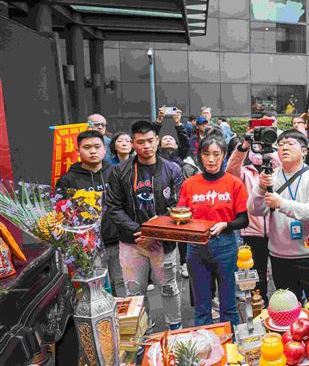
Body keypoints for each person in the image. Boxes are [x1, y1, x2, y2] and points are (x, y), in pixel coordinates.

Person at [105, 120, 184, 330]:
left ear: (157, 140)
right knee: (134, 292)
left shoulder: (172, 169)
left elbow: (178, 206)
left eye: (150, 140)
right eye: (140, 142)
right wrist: (140, 232)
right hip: (132, 243)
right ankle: (143, 331)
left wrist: (154, 233)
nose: (146, 146)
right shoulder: (119, 171)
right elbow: (113, 207)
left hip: (163, 242)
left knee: (169, 288)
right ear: (133, 143)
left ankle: (174, 328)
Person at [247, 131, 309, 301]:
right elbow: (255, 210)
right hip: (281, 256)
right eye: (281, 145)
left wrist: (282, 204)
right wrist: (260, 188)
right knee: (287, 308)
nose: (284, 147)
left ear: (304, 151)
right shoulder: (270, 177)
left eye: (290, 144)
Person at [179, 135, 249, 326]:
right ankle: (205, 343)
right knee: (202, 307)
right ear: (200, 156)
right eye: (206, 154)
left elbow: (244, 220)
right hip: (196, 247)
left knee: (229, 305)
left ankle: (231, 342)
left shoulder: (234, 183)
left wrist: (226, 224)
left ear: (224, 155)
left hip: (226, 246)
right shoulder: (189, 184)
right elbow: (181, 216)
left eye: (216, 154)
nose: (211, 159)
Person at [54, 130, 124, 296]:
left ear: (105, 149)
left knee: (123, 287)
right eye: (87, 147)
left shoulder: (117, 172)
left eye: (97, 146)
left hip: (120, 243)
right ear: (78, 150)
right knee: (96, 292)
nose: (93, 151)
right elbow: (61, 215)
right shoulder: (68, 180)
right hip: (89, 248)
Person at [226, 133, 279, 288]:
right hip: (252, 230)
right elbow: (231, 170)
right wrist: (243, 147)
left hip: (278, 229)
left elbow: (283, 162)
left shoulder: (278, 169)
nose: (259, 150)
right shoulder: (245, 172)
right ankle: (259, 299)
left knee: (280, 271)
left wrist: (272, 152)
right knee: (257, 272)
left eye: (263, 146)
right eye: (256, 146)